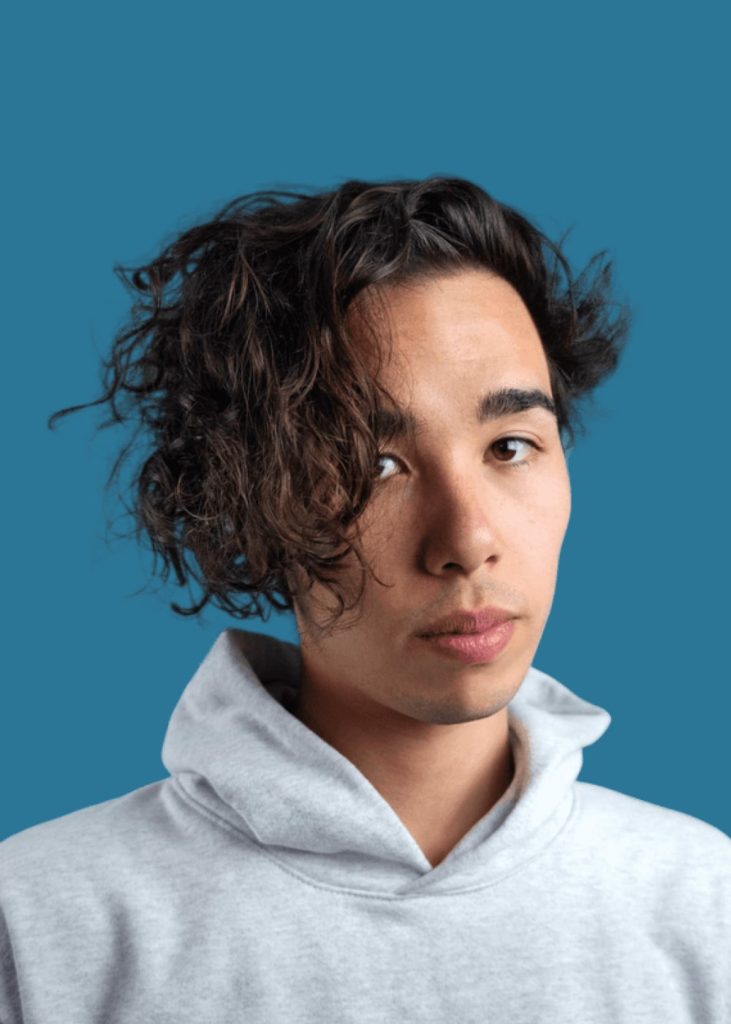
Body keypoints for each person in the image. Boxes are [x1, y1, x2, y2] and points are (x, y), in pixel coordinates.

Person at [1, 176, 728, 1023]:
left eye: (509, 446)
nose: (467, 540)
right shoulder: (42, 925)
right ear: (250, 502)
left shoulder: (703, 905)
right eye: (375, 466)